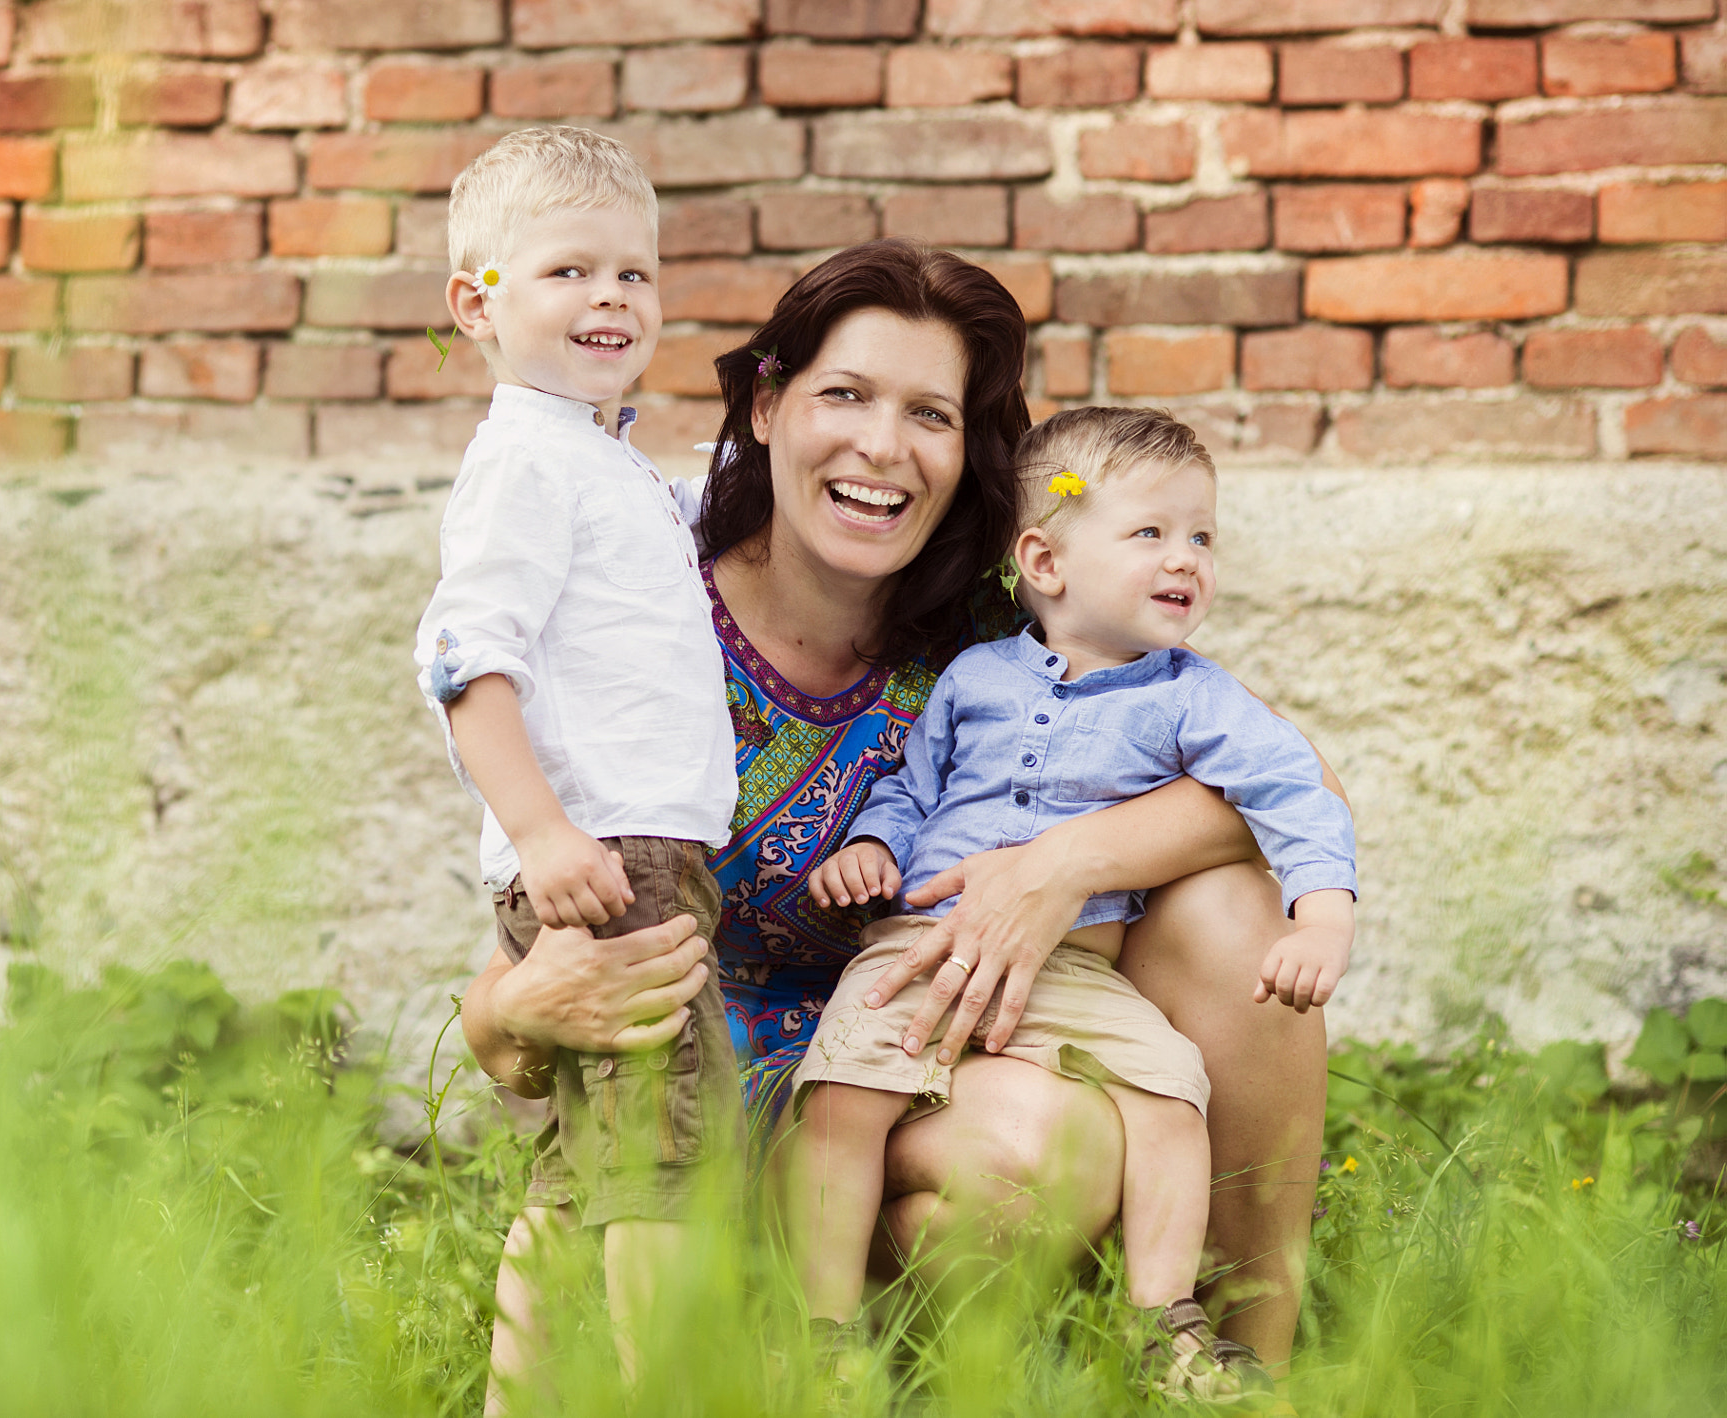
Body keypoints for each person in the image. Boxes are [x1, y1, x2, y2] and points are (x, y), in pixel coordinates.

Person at [461, 239, 1344, 1399]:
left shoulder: (997, 625)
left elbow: (1285, 774)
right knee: (995, 1162)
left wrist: (1060, 863)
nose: (882, 446)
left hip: (942, 1041)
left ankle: (1228, 1358)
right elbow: (535, 945)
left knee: (1224, 917)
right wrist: (504, 1018)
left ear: (963, 450)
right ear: (767, 408)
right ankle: (818, 1341)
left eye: (927, 412)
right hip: (711, 1089)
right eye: (844, 395)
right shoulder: (643, 600)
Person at [791, 406, 1357, 1401]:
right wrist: (873, 844)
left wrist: (1320, 910)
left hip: (1074, 971)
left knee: (1173, 1092)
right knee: (839, 1097)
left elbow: (1293, 783)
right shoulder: (973, 676)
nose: (1185, 558)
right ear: (1043, 562)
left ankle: (1166, 1322)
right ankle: (820, 1330)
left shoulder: (1190, 695)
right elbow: (910, 785)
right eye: (1149, 532)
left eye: (1201, 535)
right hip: (920, 947)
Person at [412, 126, 742, 1389]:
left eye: (633, 274)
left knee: (575, 1175)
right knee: (665, 1168)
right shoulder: (526, 461)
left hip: (621, 849)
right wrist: (546, 833)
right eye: (567, 271)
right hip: (612, 861)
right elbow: (463, 658)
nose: (610, 296)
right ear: (475, 304)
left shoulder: (597, 456)